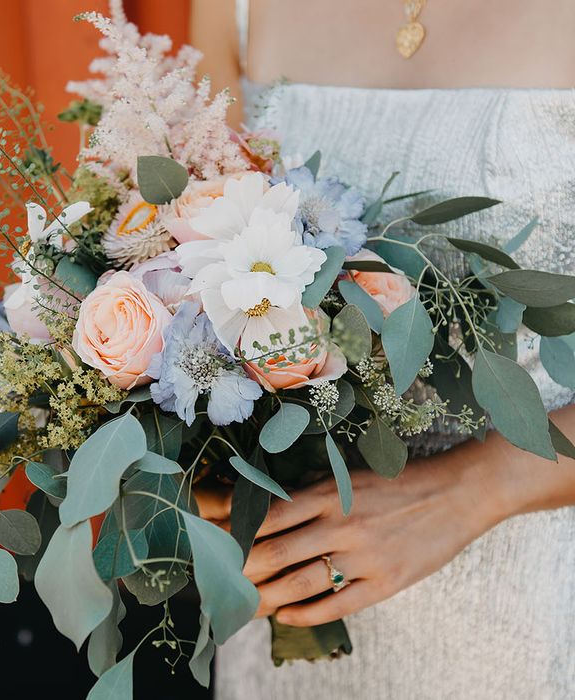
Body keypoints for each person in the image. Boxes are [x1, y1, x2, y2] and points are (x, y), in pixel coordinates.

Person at [190, 1, 575, 697]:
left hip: (537, 598)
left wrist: (470, 491)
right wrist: (191, 458)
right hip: (291, 592)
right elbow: (193, 255)